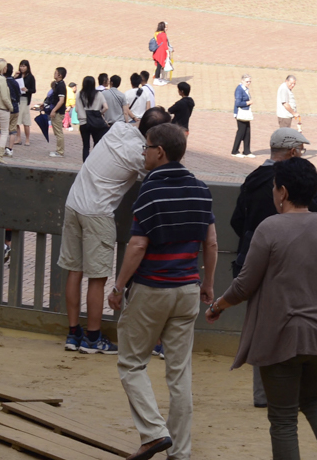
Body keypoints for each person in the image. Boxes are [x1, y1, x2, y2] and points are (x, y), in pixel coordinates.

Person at [206, 157, 317, 460]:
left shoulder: (269, 228)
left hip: (280, 335)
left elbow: (244, 285)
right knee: (313, 398)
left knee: (283, 418)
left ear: (281, 192)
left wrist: (218, 305)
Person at [108, 123, 216, 460]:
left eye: (146, 147)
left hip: (152, 288)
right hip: (187, 289)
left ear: (159, 152)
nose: (143, 152)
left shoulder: (150, 191)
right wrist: (208, 283)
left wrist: (119, 285)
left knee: (131, 363)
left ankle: (154, 432)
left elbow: (138, 246)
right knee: (180, 373)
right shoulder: (201, 189)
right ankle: (180, 452)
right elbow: (210, 242)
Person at [230, 126, 317, 408]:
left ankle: (264, 395)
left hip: (254, 263)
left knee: (261, 327)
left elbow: (237, 221)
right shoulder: (302, 180)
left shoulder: (252, 179)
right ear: (292, 151)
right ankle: (291, 392)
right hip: (296, 265)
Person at [60, 107, 174, 354]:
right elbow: (160, 172)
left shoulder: (119, 128)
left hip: (73, 202)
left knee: (74, 270)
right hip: (97, 212)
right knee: (97, 278)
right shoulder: (139, 154)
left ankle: (72, 334)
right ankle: (92, 338)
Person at [41, 66, 69, 157]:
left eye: (56, 72)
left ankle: (60, 151)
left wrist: (54, 110)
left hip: (58, 112)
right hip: (56, 111)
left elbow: (61, 100)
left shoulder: (61, 86)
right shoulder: (58, 84)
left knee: (59, 132)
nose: (54, 74)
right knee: (57, 132)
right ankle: (59, 150)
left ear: (60, 75)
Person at [231, 75, 254, 158]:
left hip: (245, 113)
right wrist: (248, 103)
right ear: (242, 81)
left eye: (250, 81)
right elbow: (238, 103)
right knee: (241, 132)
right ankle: (234, 151)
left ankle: (247, 151)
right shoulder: (239, 89)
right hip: (241, 113)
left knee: (247, 131)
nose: (249, 83)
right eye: (247, 81)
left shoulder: (245, 89)